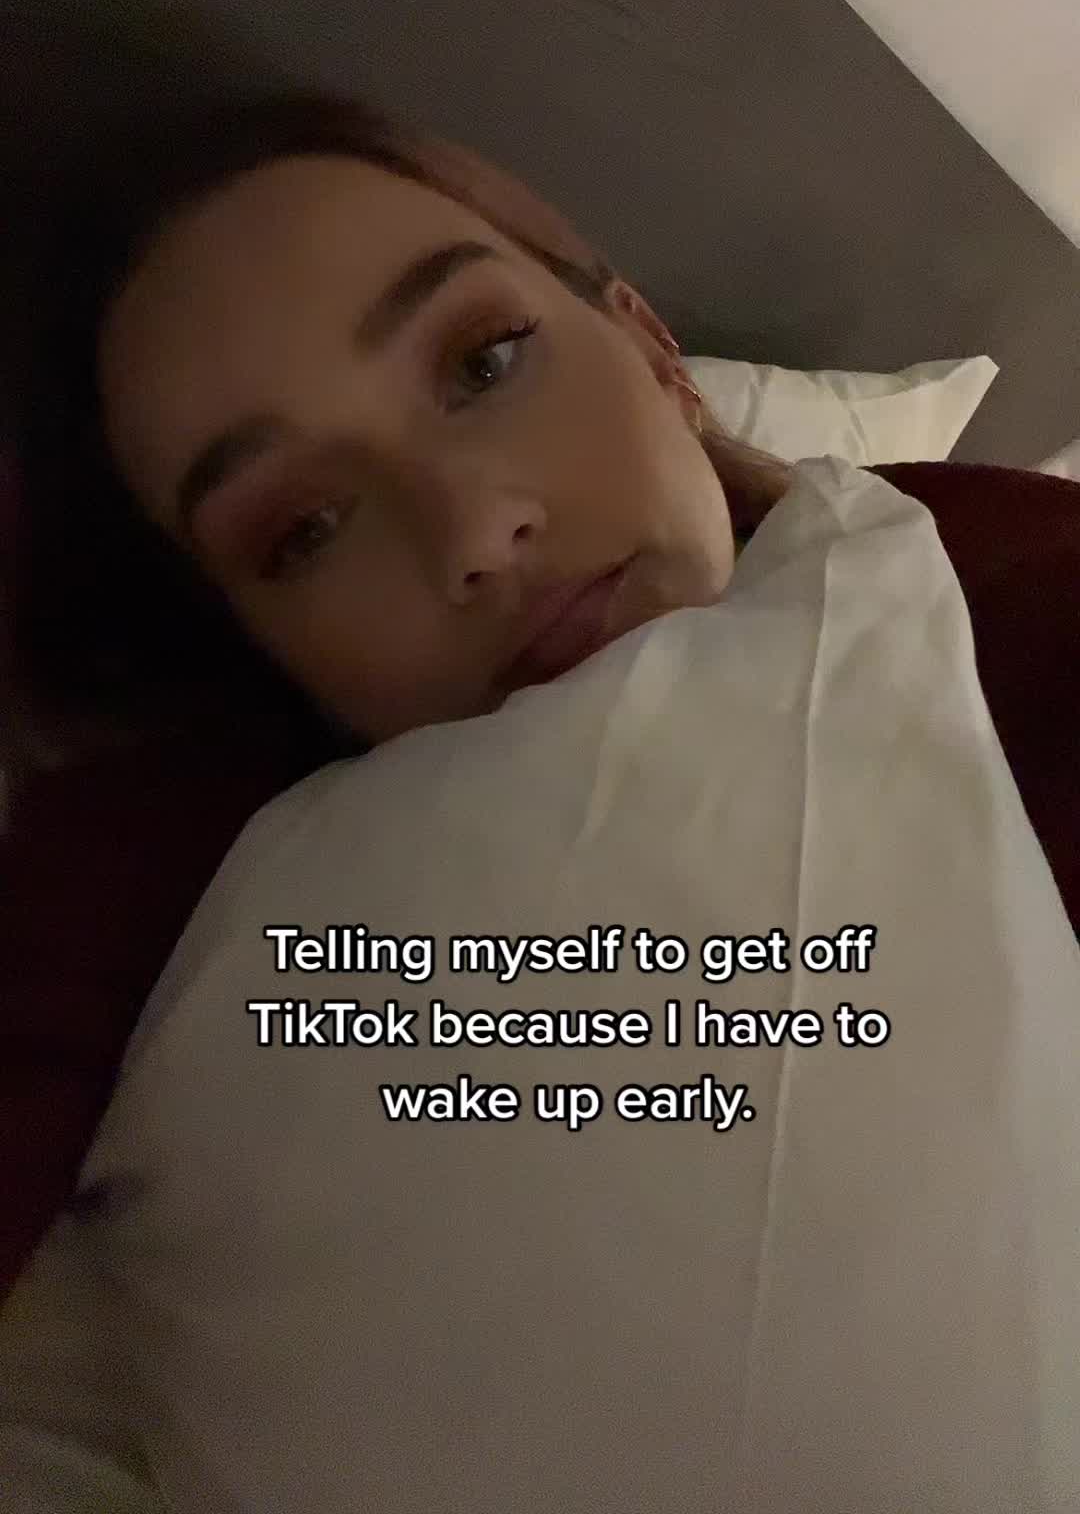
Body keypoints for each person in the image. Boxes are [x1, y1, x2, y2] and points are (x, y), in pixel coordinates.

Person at [1, 91, 1079, 1506]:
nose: (474, 527)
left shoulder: (1004, 572)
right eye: (303, 529)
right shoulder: (193, 853)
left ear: (652, 349)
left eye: (486, 361)